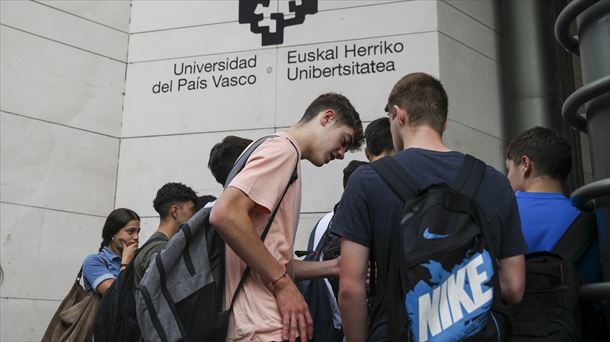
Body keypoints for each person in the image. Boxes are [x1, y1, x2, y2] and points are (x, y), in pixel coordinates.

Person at [334, 72, 527, 341]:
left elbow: (351, 289)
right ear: (444, 124)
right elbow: (514, 287)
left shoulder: (368, 181)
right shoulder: (494, 181)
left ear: (399, 116)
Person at [210, 93, 364, 342]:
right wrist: (283, 285)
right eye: (343, 140)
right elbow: (225, 214)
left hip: (256, 323)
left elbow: (275, 261)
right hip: (259, 324)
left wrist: (334, 267)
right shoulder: (283, 150)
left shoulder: (273, 148)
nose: (341, 154)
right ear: (326, 117)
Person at [505, 126, 602, 282]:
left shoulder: (502, 211)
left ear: (525, 164)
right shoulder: (592, 219)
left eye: (508, 169)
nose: (507, 177)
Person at [133, 182, 198, 284]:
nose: (194, 217)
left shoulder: (156, 245)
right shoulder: (161, 249)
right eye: (192, 211)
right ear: (175, 211)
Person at [82, 208, 141, 296]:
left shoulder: (138, 258)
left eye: (138, 232)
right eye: (130, 231)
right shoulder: (94, 261)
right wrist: (125, 263)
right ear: (112, 233)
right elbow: (114, 295)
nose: (136, 237)